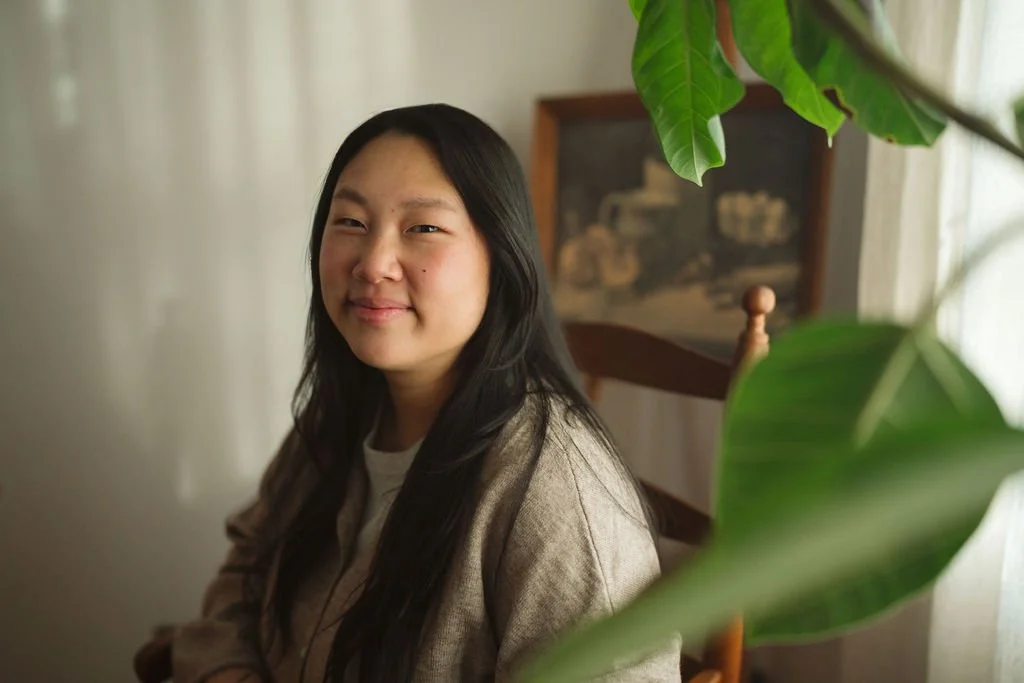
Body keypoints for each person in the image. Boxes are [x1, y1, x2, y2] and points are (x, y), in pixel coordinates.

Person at [171, 104, 680, 683]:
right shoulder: (340, 413)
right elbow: (243, 579)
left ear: (502, 257)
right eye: (351, 223)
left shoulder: (555, 490)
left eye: (423, 228)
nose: (373, 263)